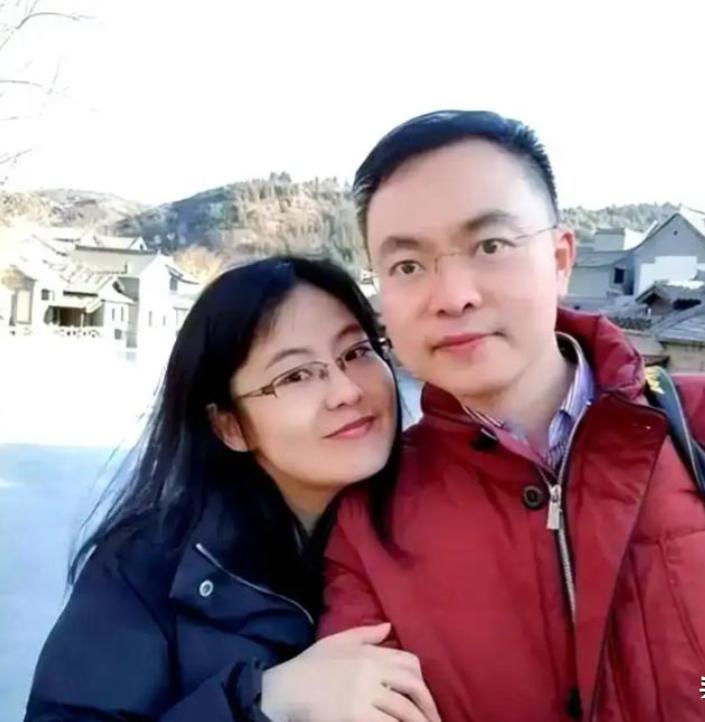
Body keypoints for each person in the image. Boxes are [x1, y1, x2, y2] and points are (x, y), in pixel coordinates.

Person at [318, 110, 705, 721]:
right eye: (408, 266)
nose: (453, 296)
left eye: (490, 246)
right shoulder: (370, 524)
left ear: (560, 259)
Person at [25, 256, 441, 722]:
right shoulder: (148, 567)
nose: (347, 390)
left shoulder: (452, 519)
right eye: (296, 375)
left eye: (357, 352)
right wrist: (264, 701)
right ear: (229, 426)